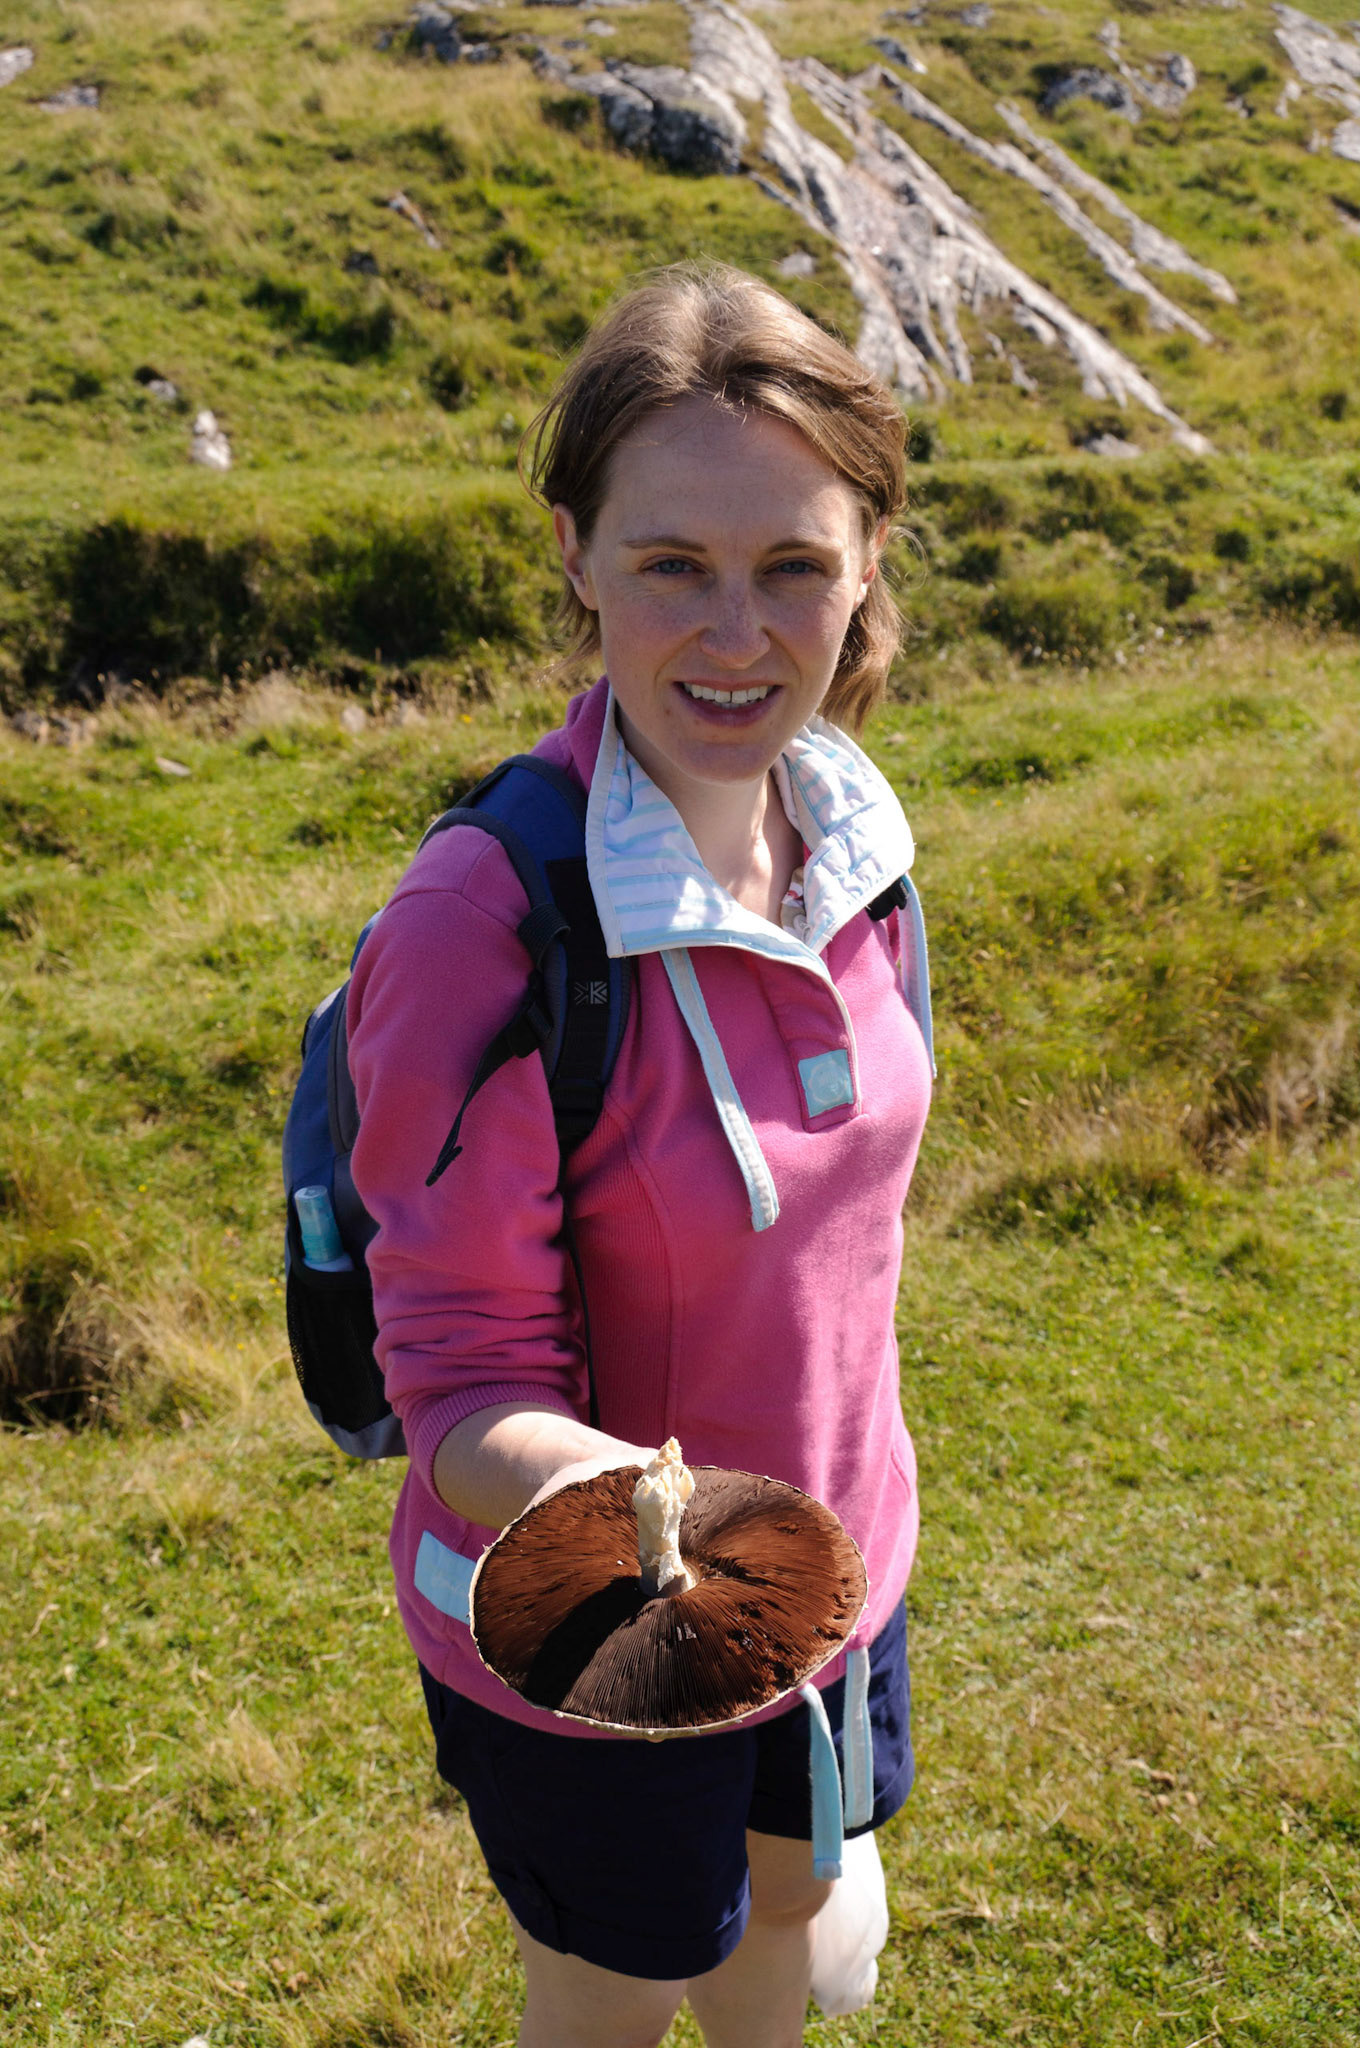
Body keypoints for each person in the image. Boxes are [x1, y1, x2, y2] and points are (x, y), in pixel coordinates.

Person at [346, 263, 933, 2048]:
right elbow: (454, 1381)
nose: (738, 635)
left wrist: (819, 1544)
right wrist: (647, 1520)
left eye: (794, 568)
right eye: (674, 564)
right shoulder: (487, 922)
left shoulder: (856, 839)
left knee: (787, 1936)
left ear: (868, 565)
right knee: (611, 2002)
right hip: (593, 1633)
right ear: (577, 556)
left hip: (842, 1574)